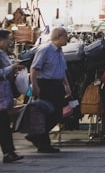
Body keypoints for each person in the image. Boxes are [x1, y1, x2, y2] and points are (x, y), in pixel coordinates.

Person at [26, 26, 72, 153]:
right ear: (59, 37)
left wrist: (66, 85)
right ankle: (42, 142)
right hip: (46, 84)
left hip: (57, 84)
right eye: (65, 36)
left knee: (57, 114)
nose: (67, 39)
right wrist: (35, 85)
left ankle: (36, 136)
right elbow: (34, 68)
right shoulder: (45, 50)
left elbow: (62, 70)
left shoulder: (59, 51)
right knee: (47, 112)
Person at [0, 29, 24, 163]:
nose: (9, 42)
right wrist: (12, 67)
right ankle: (9, 152)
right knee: (3, 123)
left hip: (4, 91)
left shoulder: (3, 54)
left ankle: (9, 151)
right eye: (7, 39)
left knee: (4, 122)